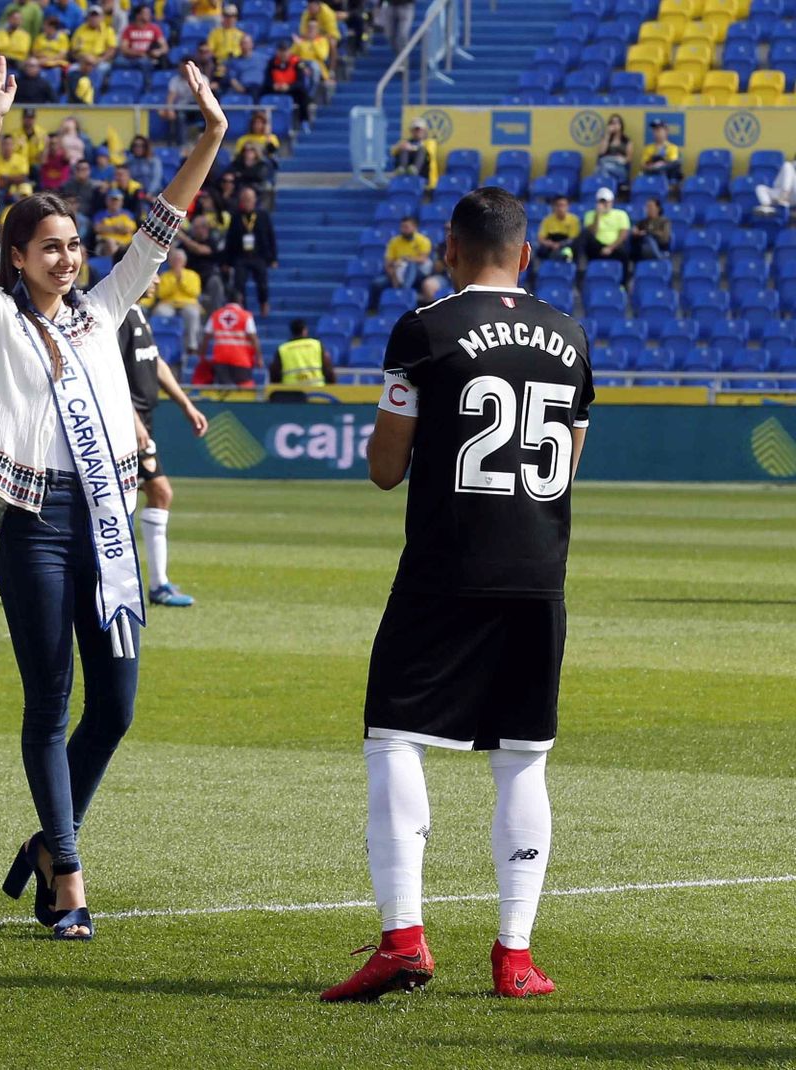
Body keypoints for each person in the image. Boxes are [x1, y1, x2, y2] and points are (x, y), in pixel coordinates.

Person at [0, 51, 227, 941]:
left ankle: (45, 843)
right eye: (50, 247)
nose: (68, 259)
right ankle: (68, 873)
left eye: (74, 245)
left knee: (115, 707)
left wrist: (211, 136)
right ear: (18, 257)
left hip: (106, 521)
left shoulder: (103, 312)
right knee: (49, 704)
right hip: (35, 523)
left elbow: (159, 229)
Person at [321, 186, 593, 1003]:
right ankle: (516, 957)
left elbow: (384, 468)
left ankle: (404, 938)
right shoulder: (571, 336)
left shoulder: (426, 329)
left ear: (450, 249)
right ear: (526, 254)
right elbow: (569, 462)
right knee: (523, 759)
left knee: (394, 739)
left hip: (448, 567)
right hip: (538, 573)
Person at [121, 289, 208, 608]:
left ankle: (152, 583)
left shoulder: (138, 312)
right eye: (152, 271)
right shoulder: (118, 314)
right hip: (125, 421)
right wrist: (132, 421)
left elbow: (155, 363)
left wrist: (186, 404)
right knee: (157, 493)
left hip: (141, 419)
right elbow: (108, 372)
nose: (156, 278)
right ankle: (153, 584)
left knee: (137, 497)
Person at [224, 185, 276, 316]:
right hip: (241, 255)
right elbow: (230, 239)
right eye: (245, 199)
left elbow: (271, 236)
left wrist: (273, 258)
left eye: (249, 199)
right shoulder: (236, 216)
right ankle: (242, 309)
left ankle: (264, 303)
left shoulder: (263, 215)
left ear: (254, 200)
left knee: (262, 282)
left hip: (259, 255)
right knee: (239, 283)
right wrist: (227, 261)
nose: (247, 202)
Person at [152, 247, 203, 358]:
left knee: (193, 314)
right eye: (174, 260)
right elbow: (161, 294)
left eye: (179, 260)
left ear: (184, 262)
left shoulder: (193, 275)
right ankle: (163, 343)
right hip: (169, 303)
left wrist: (181, 281)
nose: (177, 262)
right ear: (170, 262)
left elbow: (195, 292)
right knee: (161, 312)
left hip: (188, 303)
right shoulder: (165, 276)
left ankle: (192, 345)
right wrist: (175, 282)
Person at [270, 317, 334, 387]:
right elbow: (328, 369)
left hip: (291, 391)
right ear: (305, 330)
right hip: (317, 390)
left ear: (292, 332)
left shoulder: (283, 349)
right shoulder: (317, 345)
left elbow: (274, 374)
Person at [576, 187, 630, 272]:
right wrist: (598, 216)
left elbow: (623, 235)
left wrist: (610, 248)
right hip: (596, 246)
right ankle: (581, 267)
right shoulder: (590, 215)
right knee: (584, 234)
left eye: (606, 202)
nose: (605, 204)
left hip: (614, 246)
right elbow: (592, 233)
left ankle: (626, 278)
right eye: (602, 202)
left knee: (624, 253)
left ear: (611, 202)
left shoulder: (621, 214)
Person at [266, 38, 311, 128]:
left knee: (303, 94)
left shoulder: (298, 62)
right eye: (281, 51)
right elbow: (267, 80)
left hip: (291, 89)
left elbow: (300, 82)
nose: (283, 54)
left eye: (285, 50)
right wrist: (273, 86)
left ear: (289, 51)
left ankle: (304, 121)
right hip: (276, 89)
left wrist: (289, 87)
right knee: (262, 91)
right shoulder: (272, 62)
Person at [381, 215, 431, 291]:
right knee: (377, 283)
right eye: (402, 227)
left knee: (411, 265)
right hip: (398, 270)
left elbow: (422, 259)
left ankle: (405, 290)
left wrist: (405, 259)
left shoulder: (423, 240)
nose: (403, 229)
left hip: (419, 271)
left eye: (406, 227)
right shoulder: (394, 241)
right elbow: (388, 263)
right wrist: (393, 274)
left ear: (414, 227)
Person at [119, 4, 168, 70]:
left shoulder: (154, 28)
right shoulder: (128, 29)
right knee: (118, 61)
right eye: (146, 13)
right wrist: (138, 53)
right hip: (131, 58)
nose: (149, 15)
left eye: (149, 13)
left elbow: (165, 47)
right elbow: (124, 49)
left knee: (143, 62)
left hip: (148, 58)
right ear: (138, 15)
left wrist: (159, 51)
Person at [389, 117, 435, 187]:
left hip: (423, 171)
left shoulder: (430, 142)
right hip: (407, 169)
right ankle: (401, 169)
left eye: (419, 130)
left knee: (421, 150)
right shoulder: (405, 142)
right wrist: (400, 147)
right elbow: (392, 151)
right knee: (404, 150)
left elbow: (430, 152)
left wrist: (412, 148)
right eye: (415, 130)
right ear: (411, 131)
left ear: (424, 131)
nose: (417, 132)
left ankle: (414, 169)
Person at [593, 114, 630, 193]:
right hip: (605, 164)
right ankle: (608, 190)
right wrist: (607, 135)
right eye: (612, 123)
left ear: (621, 125)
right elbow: (601, 152)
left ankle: (604, 190)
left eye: (617, 123)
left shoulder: (627, 141)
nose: (614, 125)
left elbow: (629, 158)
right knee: (602, 166)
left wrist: (622, 159)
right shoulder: (606, 139)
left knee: (600, 168)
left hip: (619, 167)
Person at [535, 196, 579, 263]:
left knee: (569, 251)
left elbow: (573, 239)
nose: (560, 208)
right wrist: (550, 244)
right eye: (558, 205)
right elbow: (541, 238)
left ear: (568, 207)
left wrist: (560, 244)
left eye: (563, 205)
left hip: (566, 245)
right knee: (540, 251)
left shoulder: (574, 220)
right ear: (554, 207)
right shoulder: (547, 220)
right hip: (550, 245)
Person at [628, 197, 670, 262]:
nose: (647, 209)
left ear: (658, 208)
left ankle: (659, 258)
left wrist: (647, 232)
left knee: (648, 238)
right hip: (641, 246)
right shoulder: (643, 222)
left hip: (658, 245)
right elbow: (635, 229)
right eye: (646, 207)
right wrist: (635, 231)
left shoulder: (664, 221)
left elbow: (665, 237)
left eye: (650, 206)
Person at [641, 119, 681, 183]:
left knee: (676, 164)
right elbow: (644, 165)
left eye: (658, 130)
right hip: (651, 173)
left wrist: (661, 164)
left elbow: (673, 163)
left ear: (666, 131)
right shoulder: (648, 148)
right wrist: (654, 165)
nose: (656, 133)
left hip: (667, 175)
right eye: (654, 130)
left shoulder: (673, 148)